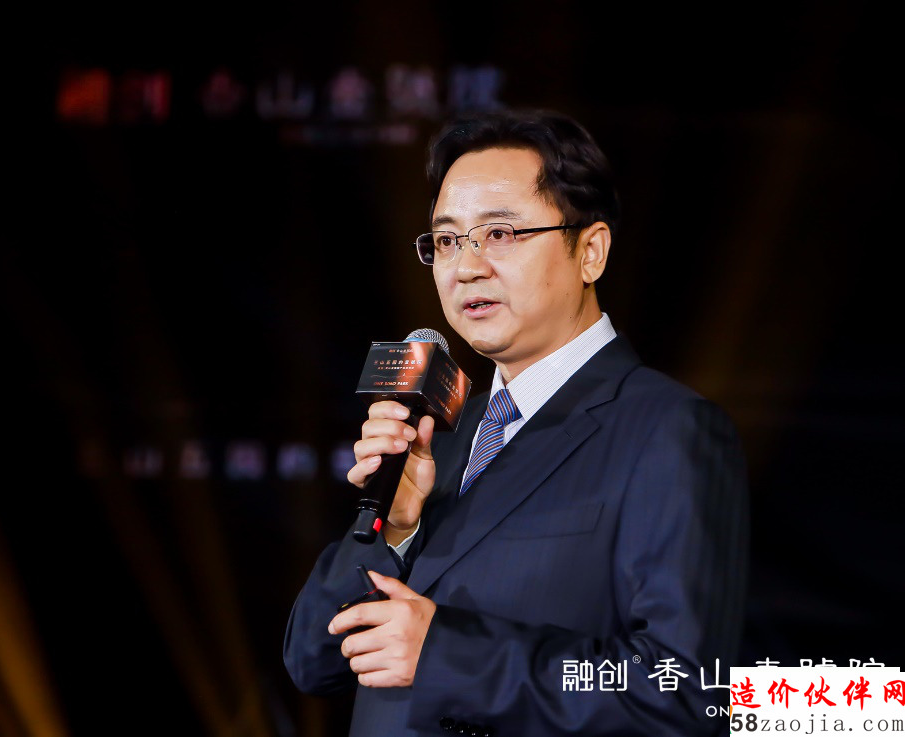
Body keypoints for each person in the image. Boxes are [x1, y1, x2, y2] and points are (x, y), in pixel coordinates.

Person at [283, 107, 749, 736]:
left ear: (590, 251)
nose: (466, 266)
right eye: (447, 240)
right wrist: (394, 530)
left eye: (499, 233)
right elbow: (312, 660)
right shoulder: (438, 435)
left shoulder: (669, 431)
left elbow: (689, 691)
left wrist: (448, 655)